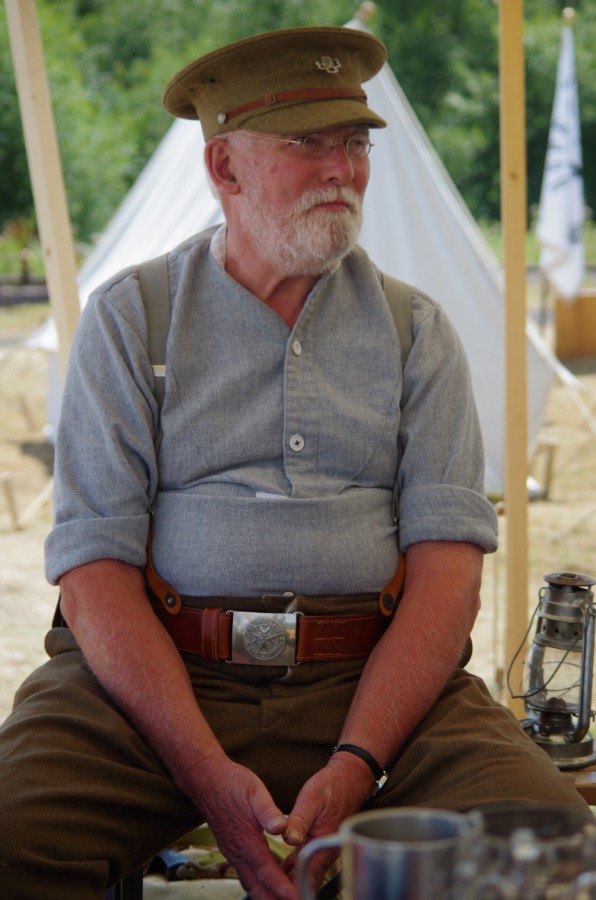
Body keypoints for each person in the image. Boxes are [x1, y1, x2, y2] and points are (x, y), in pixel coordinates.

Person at [0, 25, 590, 900]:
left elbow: (447, 578)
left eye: (355, 143)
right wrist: (206, 772)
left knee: (550, 856)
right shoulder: (134, 320)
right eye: (307, 143)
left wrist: (357, 762)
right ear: (225, 168)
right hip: (156, 685)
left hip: (374, 685)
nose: (341, 169)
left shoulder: (415, 332)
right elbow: (94, 579)